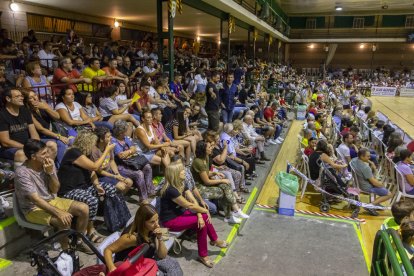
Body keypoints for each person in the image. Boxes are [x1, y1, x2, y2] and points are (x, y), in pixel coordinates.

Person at [14, 139, 92, 253]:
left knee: (84, 208)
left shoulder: (48, 164)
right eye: (44, 153)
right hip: (32, 208)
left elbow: (55, 189)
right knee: (63, 220)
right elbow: (35, 200)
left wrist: (50, 173)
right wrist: (59, 212)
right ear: (33, 156)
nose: (48, 155)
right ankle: (66, 251)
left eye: (47, 152)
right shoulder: (22, 173)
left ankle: (79, 242)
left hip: (50, 200)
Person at [160, 161, 227, 268]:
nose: (184, 171)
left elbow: (193, 200)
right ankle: (207, 250)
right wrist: (204, 212)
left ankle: (211, 244)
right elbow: (188, 205)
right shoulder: (171, 190)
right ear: (176, 174)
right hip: (171, 220)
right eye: (181, 170)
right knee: (203, 219)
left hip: (181, 212)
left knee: (202, 219)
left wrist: (200, 214)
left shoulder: (182, 183)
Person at [57, 131, 118, 242]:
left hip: (84, 187)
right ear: (87, 143)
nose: (94, 146)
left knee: (110, 188)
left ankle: (111, 220)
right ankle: (88, 232)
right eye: (93, 143)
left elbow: (91, 172)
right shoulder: (73, 153)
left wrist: (97, 185)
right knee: (92, 201)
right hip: (69, 190)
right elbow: (94, 167)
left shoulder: (86, 154)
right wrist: (107, 151)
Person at [104, 202, 183, 275]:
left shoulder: (154, 228)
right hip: (131, 267)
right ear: (142, 222)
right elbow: (108, 250)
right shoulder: (132, 237)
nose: (157, 224)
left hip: (146, 261)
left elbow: (162, 255)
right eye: (152, 222)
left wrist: (159, 238)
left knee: (174, 265)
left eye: (157, 219)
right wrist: (112, 268)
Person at [191, 140, 249, 224]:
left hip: (204, 184)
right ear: (203, 149)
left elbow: (206, 173)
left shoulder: (206, 157)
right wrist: (222, 180)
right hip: (198, 188)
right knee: (224, 191)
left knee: (226, 185)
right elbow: (207, 181)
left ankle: (234, 212)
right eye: (209, 147)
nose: (212, 148)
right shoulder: (198, 162)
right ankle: (232, 213)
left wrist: (215, 172)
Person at [0, 88, 56, 165]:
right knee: (21, 154)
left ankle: (47, 170)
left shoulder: (25, 111)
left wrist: (37, 146)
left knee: (51, 145)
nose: (22, 98)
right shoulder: (2, 115)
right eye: (17, 96)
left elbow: (34, 133)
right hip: (10, 148)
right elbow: (5, 142)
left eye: (21, 96)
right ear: (8, 99)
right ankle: (23, 176)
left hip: (28, 145)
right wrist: (27, 148)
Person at [111, 120, 155, 201]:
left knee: (147, 167)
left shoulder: (125, 138)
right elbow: (121, 156)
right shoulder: (113, 141)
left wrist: (128, 152)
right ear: (121, 132)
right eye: (126, 130)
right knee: (139, 174)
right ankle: (143, 198)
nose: (127, 132)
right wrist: (130, 151)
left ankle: (150, 190)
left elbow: (134, 148)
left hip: (132, 162)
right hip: (121, 166)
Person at [24, 90, 68, 166]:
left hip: (53, 132)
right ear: (27, 101)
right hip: (41, 136)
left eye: (35, 95)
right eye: (31, 97)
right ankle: (60, 167)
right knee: (61, 143)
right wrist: (59, 137)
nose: (35, 98)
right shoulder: (28, 112)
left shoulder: (43, 104)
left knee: (73, 139)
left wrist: (47, 108)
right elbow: (41, 129)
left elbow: (57, 117)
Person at [350, 148, 393, 216]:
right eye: (368, 156)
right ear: (362, 156)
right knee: (389, 194)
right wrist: (382, 185)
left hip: (358, 183)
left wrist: (370, 162)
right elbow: (374, 183)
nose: (370, 157)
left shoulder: (353, 160)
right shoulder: (365, 168)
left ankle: (376, 203)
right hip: (366, 187)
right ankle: (370, 206)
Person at [92, 127, 133, 194]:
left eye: (110, 135)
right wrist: (114, 176)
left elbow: (111, 161)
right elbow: (98, 171)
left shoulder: (109, 145)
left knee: (129, 182)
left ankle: (119, 198)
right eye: (108, 137)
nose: (111, 138)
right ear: (101, 139)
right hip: (101, 176)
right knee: (121, 186)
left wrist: (117, 174)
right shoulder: (95, 150)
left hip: (110, 171)